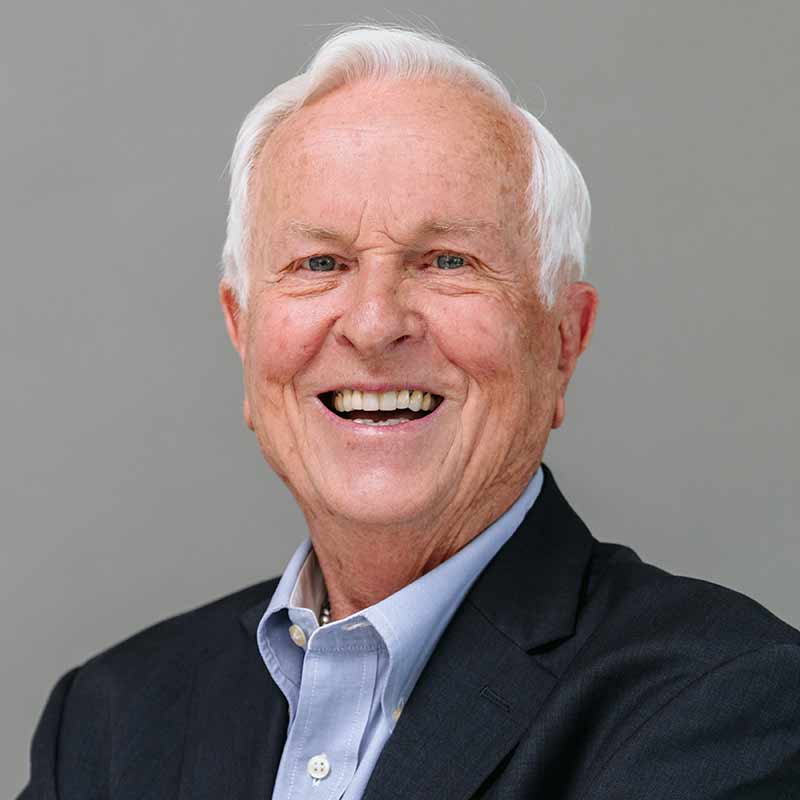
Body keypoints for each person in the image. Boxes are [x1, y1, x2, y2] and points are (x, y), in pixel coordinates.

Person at [19, 25, 800, 800]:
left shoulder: (728, 706)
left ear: (563, 340)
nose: (374, 323)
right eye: (320, 263)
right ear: (243, 330)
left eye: (447, 261)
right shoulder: (110, 721)